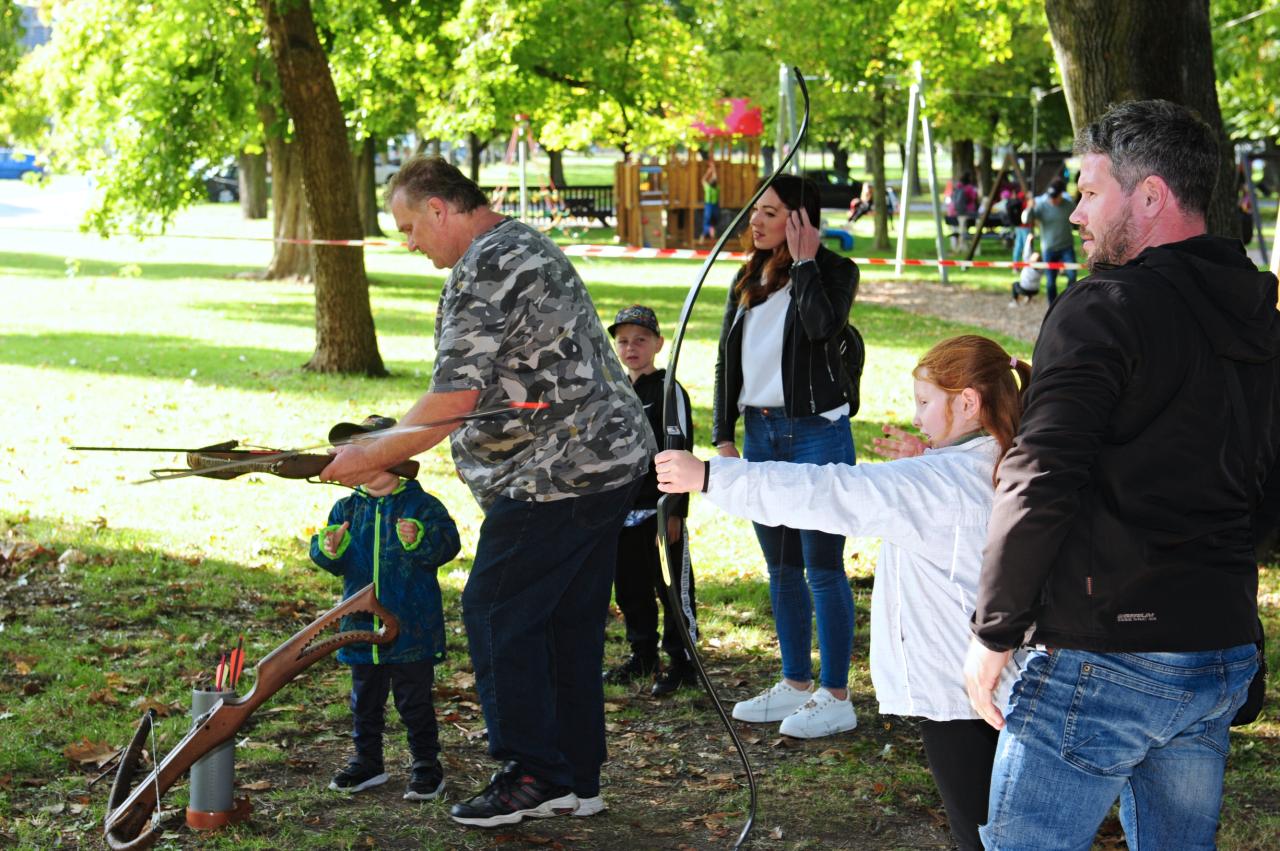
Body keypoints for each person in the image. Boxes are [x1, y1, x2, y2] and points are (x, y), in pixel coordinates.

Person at [964, 99, 1280, 850]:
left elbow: (1040, 471)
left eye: (1089, 191)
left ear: (1151, 196)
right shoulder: (1259, 314)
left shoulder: (1104, 304)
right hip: (1216, 648)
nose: (1075, 212)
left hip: (1109, 651)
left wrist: (994, 630)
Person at [321, 156, 653, 828]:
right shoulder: (517, 242)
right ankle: (573, 778)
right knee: (562, 622)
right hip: (602, 464)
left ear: (439, 208)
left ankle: (532, 772)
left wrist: (369, 455)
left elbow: (453, 401)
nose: (409, 243)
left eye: (409, 227)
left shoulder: (488, 264)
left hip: (557, 475)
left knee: (496, 608)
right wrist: (378, 444)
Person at [656, 335, 1030, 850]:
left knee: (983, 835)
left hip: (958, 695)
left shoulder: (933, 483)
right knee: (1007, 824)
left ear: (968, 402)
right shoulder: (1010, 461)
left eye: (925, 402)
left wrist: (708, 476)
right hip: (1005, 683)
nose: (915, 415)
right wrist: (931, 459)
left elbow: (827, 493)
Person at [712, 173, 861, 739]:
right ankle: (795, 682)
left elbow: (822, 327)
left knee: (822, 567)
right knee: (781, 567)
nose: (755, 220)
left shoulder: (835, 270)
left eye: (770, 212)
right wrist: (723, 435)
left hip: (816, 434)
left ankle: (836, 695)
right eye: (756, 210)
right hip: (761, 434)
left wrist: (803, 263)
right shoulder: (746, 277)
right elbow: (728, 360)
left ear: (800, 220)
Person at [310, 415, 461, 802]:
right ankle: (368, 762)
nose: (348, 460)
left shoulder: (422, 506)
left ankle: (426, 765)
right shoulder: (345, 509)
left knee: (414, 700)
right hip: (360, 624)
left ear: (391, 456)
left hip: (411, 624)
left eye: (360, 451)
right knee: (364, 700)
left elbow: (447, 545)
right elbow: (329, 557)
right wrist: (329, 549)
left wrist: (420, 538)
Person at [603, 304, 699, 696]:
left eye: (640, 340)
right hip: (621, 512)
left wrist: (674, 511)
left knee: (672, 589)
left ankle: (683, 661)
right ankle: (642, 654)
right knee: (630, 589)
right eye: (623, 341)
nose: (631, 348)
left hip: (658, 512)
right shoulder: (613, 392)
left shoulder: (669, 390)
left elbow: (681, 450)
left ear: (658, 344)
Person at [1023, 176, 1077, 303]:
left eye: (1055, 197)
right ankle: (1052, 305)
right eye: (1051, 197)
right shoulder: (1041, 206)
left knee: (1072, 275)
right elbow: (1026, 219)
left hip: (1066, 247)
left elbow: (1080, 223)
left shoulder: (1069, 205)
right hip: (1049, 249)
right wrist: (1030, 207)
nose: (1052, 200)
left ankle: (1068, 301)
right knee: (1051, 282)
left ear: (1061, 194)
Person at [701, 156, 720, 240]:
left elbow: (703, 180)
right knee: (713, 222)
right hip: (715, 206)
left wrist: (708, 172)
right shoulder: (717, 189)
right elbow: (715, 178)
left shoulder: (708, 188)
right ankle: (712, 233)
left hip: (709, 206)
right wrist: (713, 168)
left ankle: (705, 234)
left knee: (707, 222)